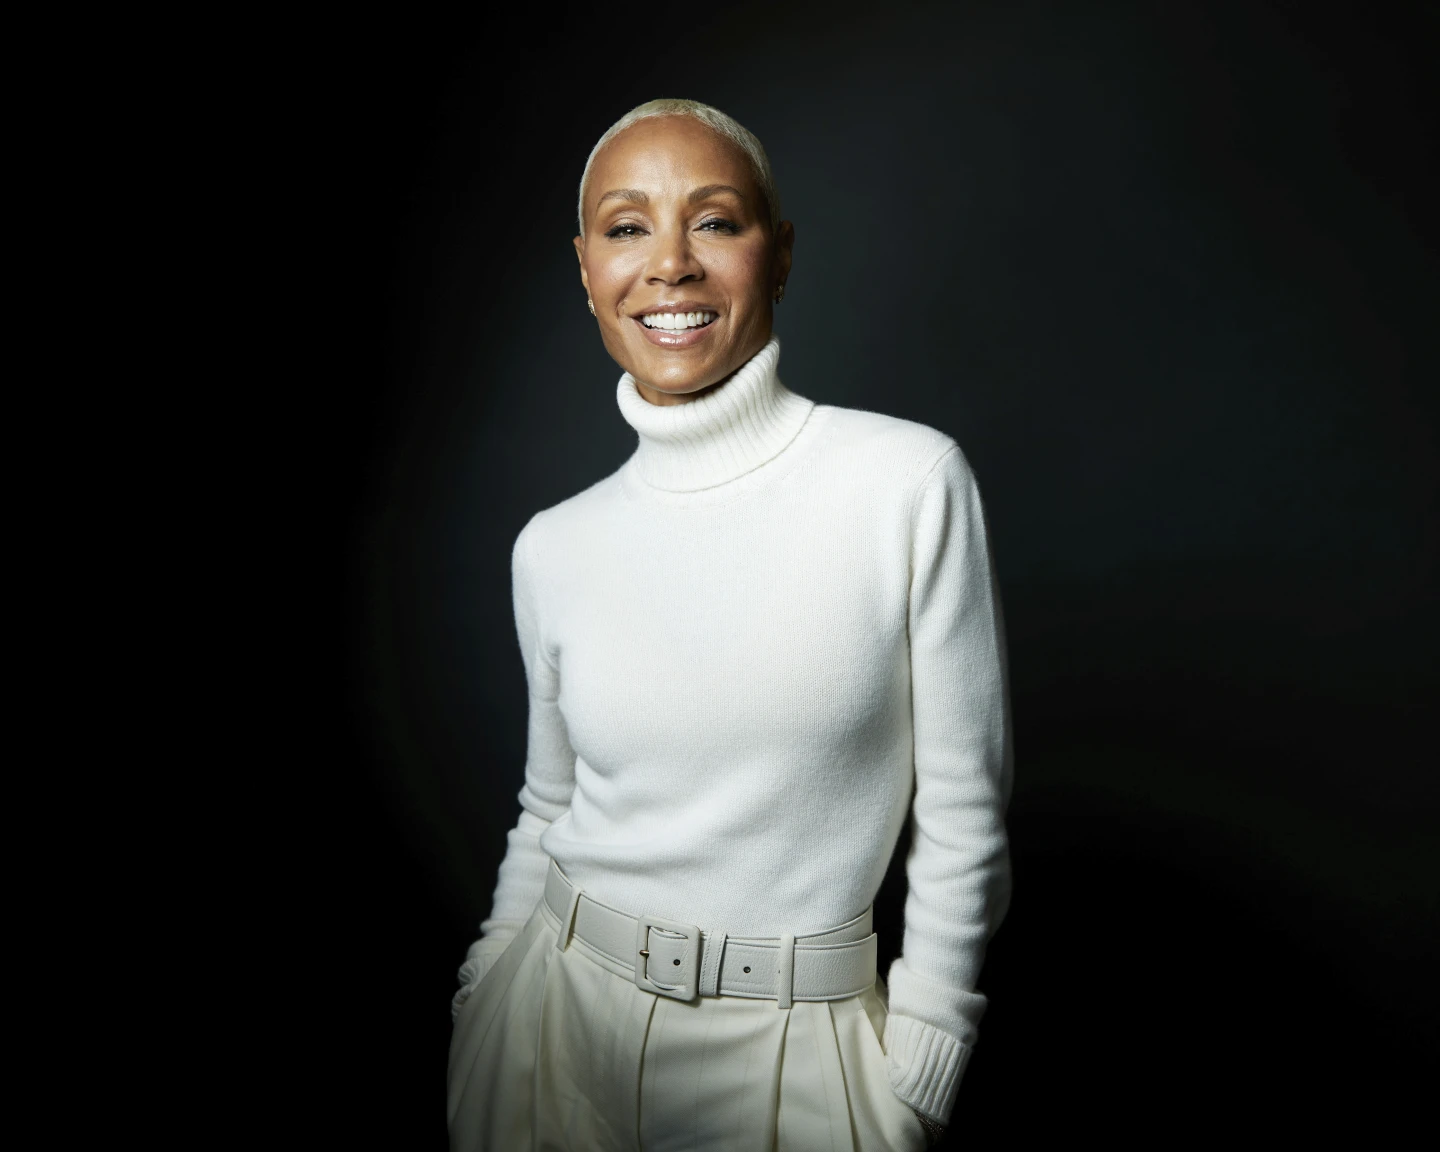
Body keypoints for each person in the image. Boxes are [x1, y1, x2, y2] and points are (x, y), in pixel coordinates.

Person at [446, 98, 1012, 1152]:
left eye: (714, 221)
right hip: (549, 1025)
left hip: (795, 1051)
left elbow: (965, 810)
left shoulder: (906, 483)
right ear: (587, 270)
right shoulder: (552, 546)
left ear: (778, 254)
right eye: (627, 227)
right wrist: (486, 982)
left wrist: (923, 1061)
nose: (669, 264)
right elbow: (549, 802)